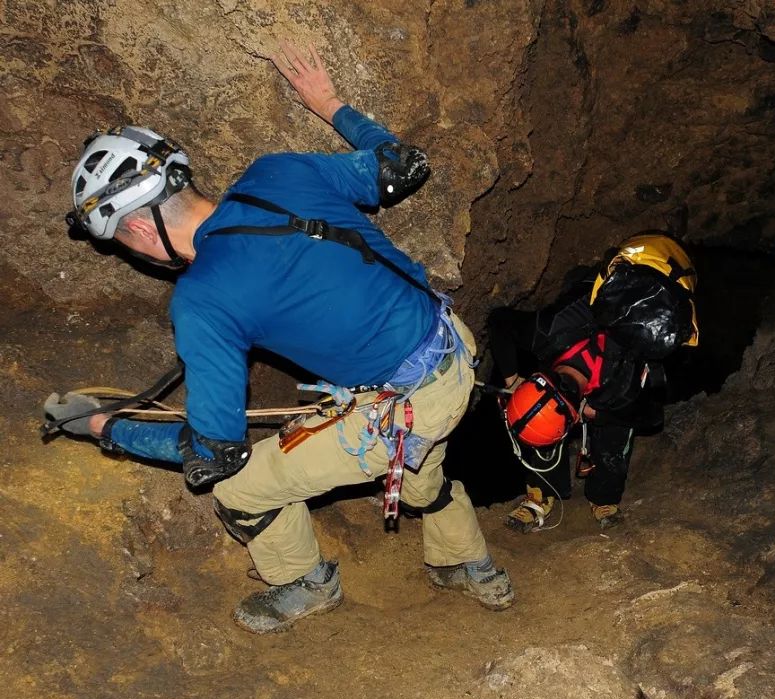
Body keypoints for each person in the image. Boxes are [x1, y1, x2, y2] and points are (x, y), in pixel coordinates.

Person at [44, 43, 513, 634]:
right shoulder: (277, 172)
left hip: (402, 408)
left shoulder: (203, 299)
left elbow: (215, 455)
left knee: (242, 490)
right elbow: (403, 165)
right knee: (423, 474)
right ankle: (464, 563)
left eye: (120, 241)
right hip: (454, 348)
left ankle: (306, 583)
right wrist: (329, 104)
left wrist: (100, 427)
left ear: (138, 225)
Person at [489, 233, 698, 532]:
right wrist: (512, 380)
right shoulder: (545, 333)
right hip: (590, 300)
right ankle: (542, 491)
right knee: (535, 421)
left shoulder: (621, 383)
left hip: (642, 295)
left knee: (616, 431)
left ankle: (604, 496)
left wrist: (599, 414)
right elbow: (499, 322)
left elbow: (651, 417)